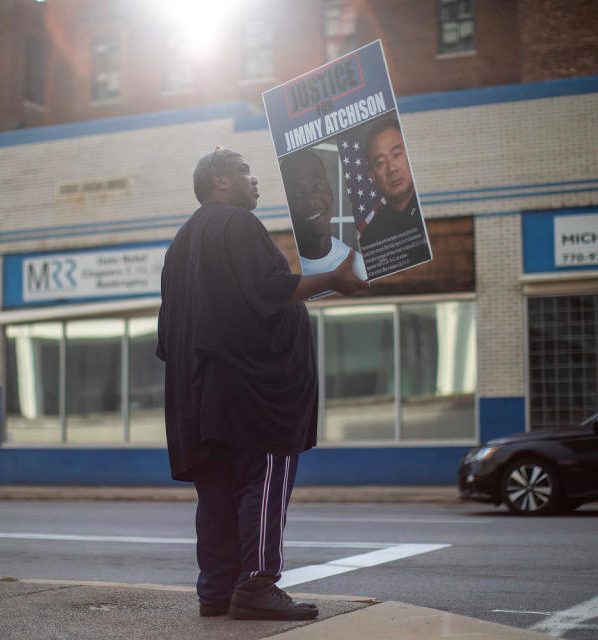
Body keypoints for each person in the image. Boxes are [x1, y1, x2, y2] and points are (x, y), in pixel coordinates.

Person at [156, 147, 368, 621]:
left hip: (199, 398)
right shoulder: (237, 224)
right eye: (247, 173)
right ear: (221, 182)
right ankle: (256, 584)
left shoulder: (180, 244)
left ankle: (217, 590)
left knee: (217, 494)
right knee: (263, 482)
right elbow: (269, 289)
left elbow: (168, 333)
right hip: (254, 395)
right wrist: (333, 277)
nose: (257, 182)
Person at [358, 116, 430, 277]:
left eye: (397, 154)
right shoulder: (371, 237)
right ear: (373, 176)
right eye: (381, 162)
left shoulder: (432, 208)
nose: (392, 169)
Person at [280, 150, 367, 280]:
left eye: (318, 186)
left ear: (331, 193)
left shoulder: (357, 265)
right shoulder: (287, 271)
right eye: (296, 194)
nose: (310, 201)